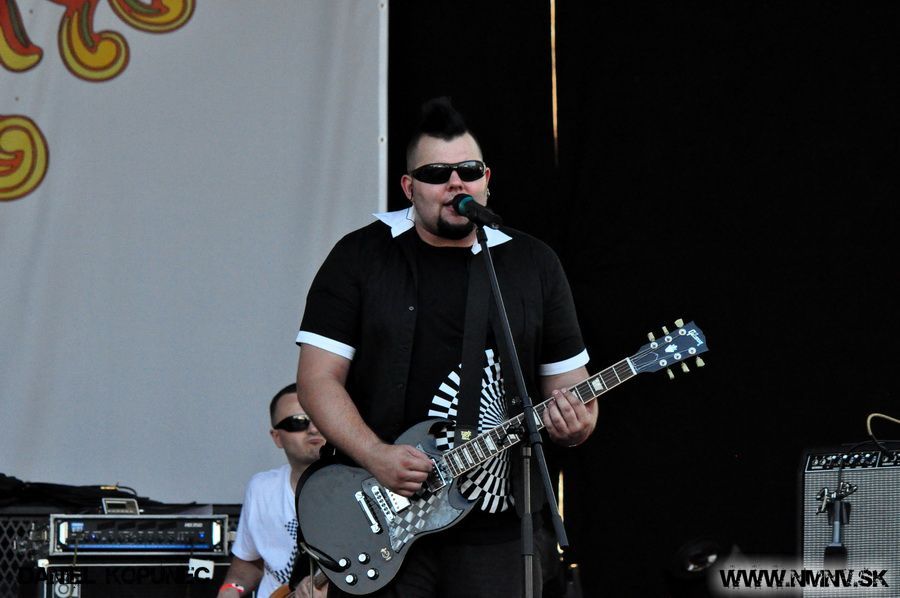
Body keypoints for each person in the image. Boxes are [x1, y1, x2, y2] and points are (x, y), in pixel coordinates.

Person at [295, 97, 597, 597]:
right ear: (408, 187)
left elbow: (573, 391)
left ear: (486, 179)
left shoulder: (532, 264)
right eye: (436, 174)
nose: (456, 183)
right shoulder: (360, 256)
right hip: (384, 515)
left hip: (497, 527)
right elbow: (315, 379)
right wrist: (376, 455)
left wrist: (576, 424)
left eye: (468, 171)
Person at [218, 384, 328, 598]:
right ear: (277, 437)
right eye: (297, 422)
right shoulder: (261, 488)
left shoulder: (361, 489)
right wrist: (231, 589)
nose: (313, 429)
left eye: (320, 418)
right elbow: (250, 563)